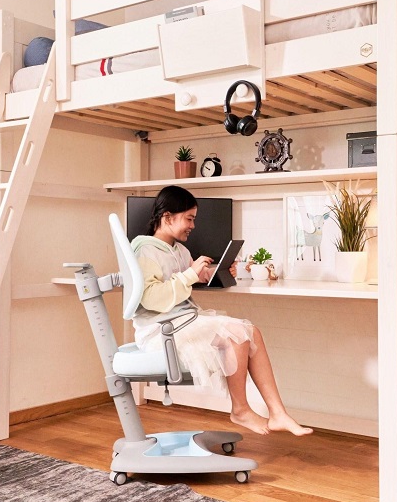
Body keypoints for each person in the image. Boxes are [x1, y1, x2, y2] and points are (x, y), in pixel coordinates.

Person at [130, 185, 312, 437]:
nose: (193, 225)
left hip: (183, 320)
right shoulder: (144, 250)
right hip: (162, 330)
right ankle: (240, 410)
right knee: (236, 333)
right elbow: (152, 298)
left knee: (252, 332)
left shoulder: (180, 250)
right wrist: (190, 273)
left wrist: (213, 274)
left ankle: (278, 412)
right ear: (168, 217)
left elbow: (185, 280)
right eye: (189, 218)